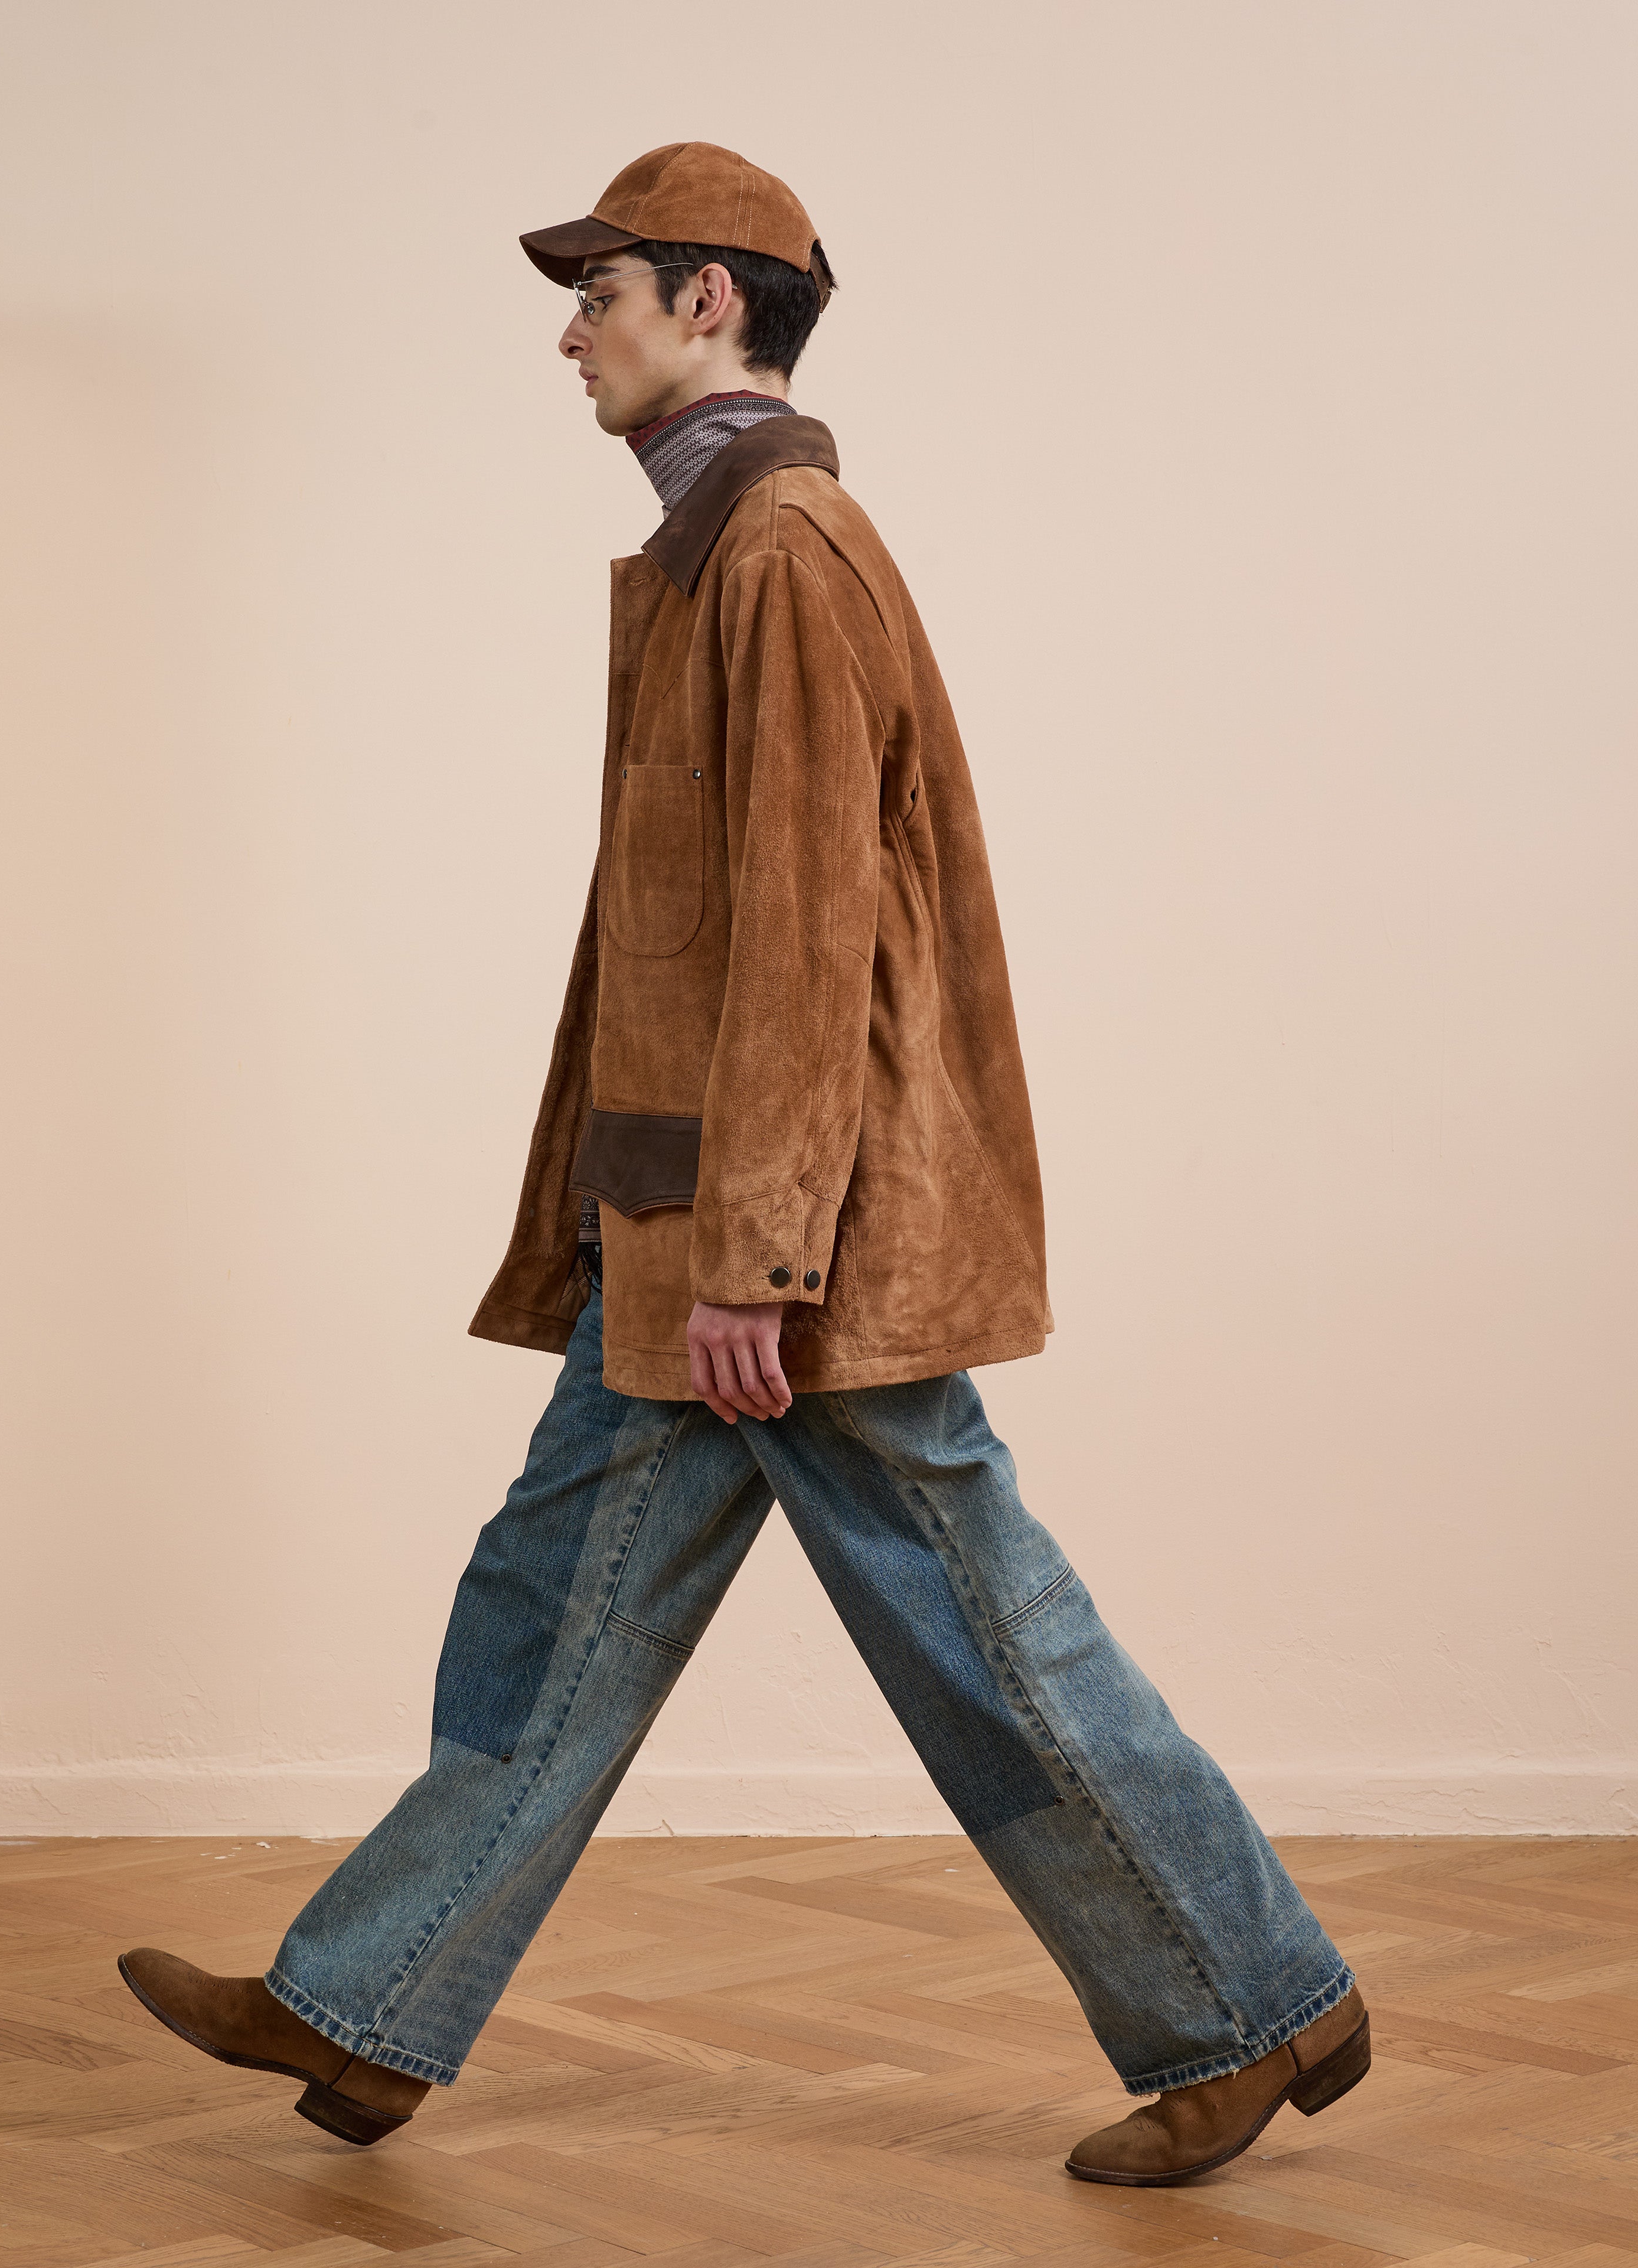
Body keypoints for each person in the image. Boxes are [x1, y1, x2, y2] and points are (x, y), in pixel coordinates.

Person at [118, 141, 1368, 2187]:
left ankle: (1254, 2006)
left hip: (779, 1258)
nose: (568, 331)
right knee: (553, 1601)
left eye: (598, 294)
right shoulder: (724, 551)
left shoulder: (783, 551)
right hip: (687, 1230)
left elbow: (802, 935)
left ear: (710, 301)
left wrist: (756, 1264)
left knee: (980, 1619)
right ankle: (366, 2008)